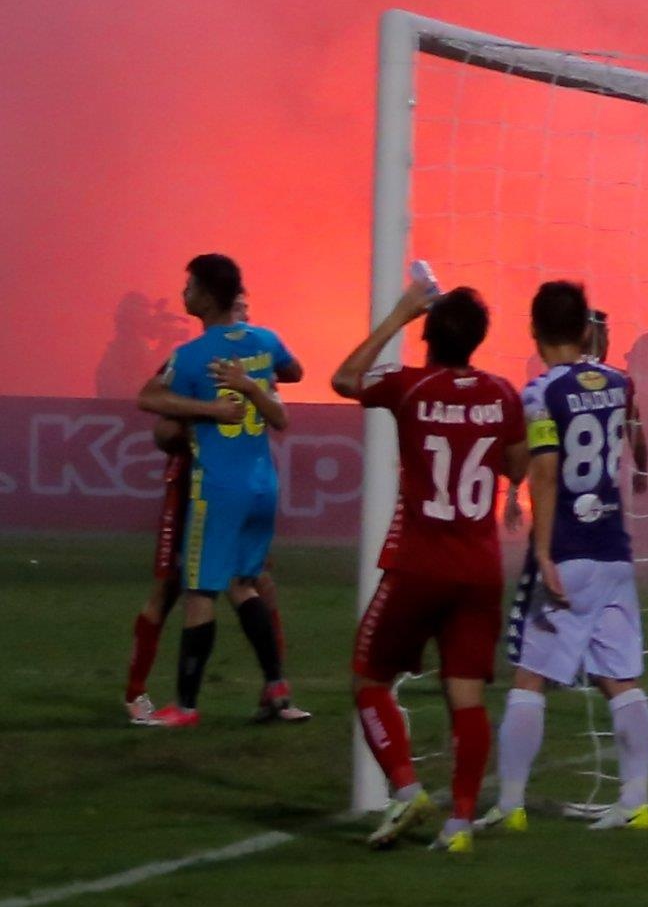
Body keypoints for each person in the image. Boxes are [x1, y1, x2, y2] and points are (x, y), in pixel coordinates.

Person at [331, 266, 524, 850]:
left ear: (427, 334)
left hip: (419, 563)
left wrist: (399, 312)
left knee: (369, 679)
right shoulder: (502, 394)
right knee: (466, 695)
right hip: (479, 569)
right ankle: (460, 822)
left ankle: (407, 788)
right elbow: (516, 466)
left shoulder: (410, 387)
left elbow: (344, 378)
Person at [496, 279, 648, 833]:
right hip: (614, 550)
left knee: (529, 678)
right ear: (587, 331)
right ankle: (635, 801)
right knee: (620, 678)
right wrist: (642, 467)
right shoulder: (618, 381)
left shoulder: (541, 393)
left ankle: (509, 806)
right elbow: (635, 433)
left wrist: (542, 551)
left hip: (568, 550)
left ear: (534, 330)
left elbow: (541, 471)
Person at [133, 253, 304, 728]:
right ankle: (276, 686)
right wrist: (257, 378)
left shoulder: (193, 355)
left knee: (199, 591)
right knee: (244, 585)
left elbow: (147, 397)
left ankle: (185, 707)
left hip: (219, 487)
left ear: (208, 297)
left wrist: (206, 409)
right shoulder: (266, 340)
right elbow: (294, 371)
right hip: (262, 482)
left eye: (190, 286)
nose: (184, 294)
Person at [120, 373, 193, 722]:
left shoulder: (258, 354)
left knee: (255, 582)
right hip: (188, 485)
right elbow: (160, 426)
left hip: (234, 485)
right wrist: (206, 415)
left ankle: (275, 691)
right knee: (168, 587)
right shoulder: (187, 359)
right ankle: (135, 692)